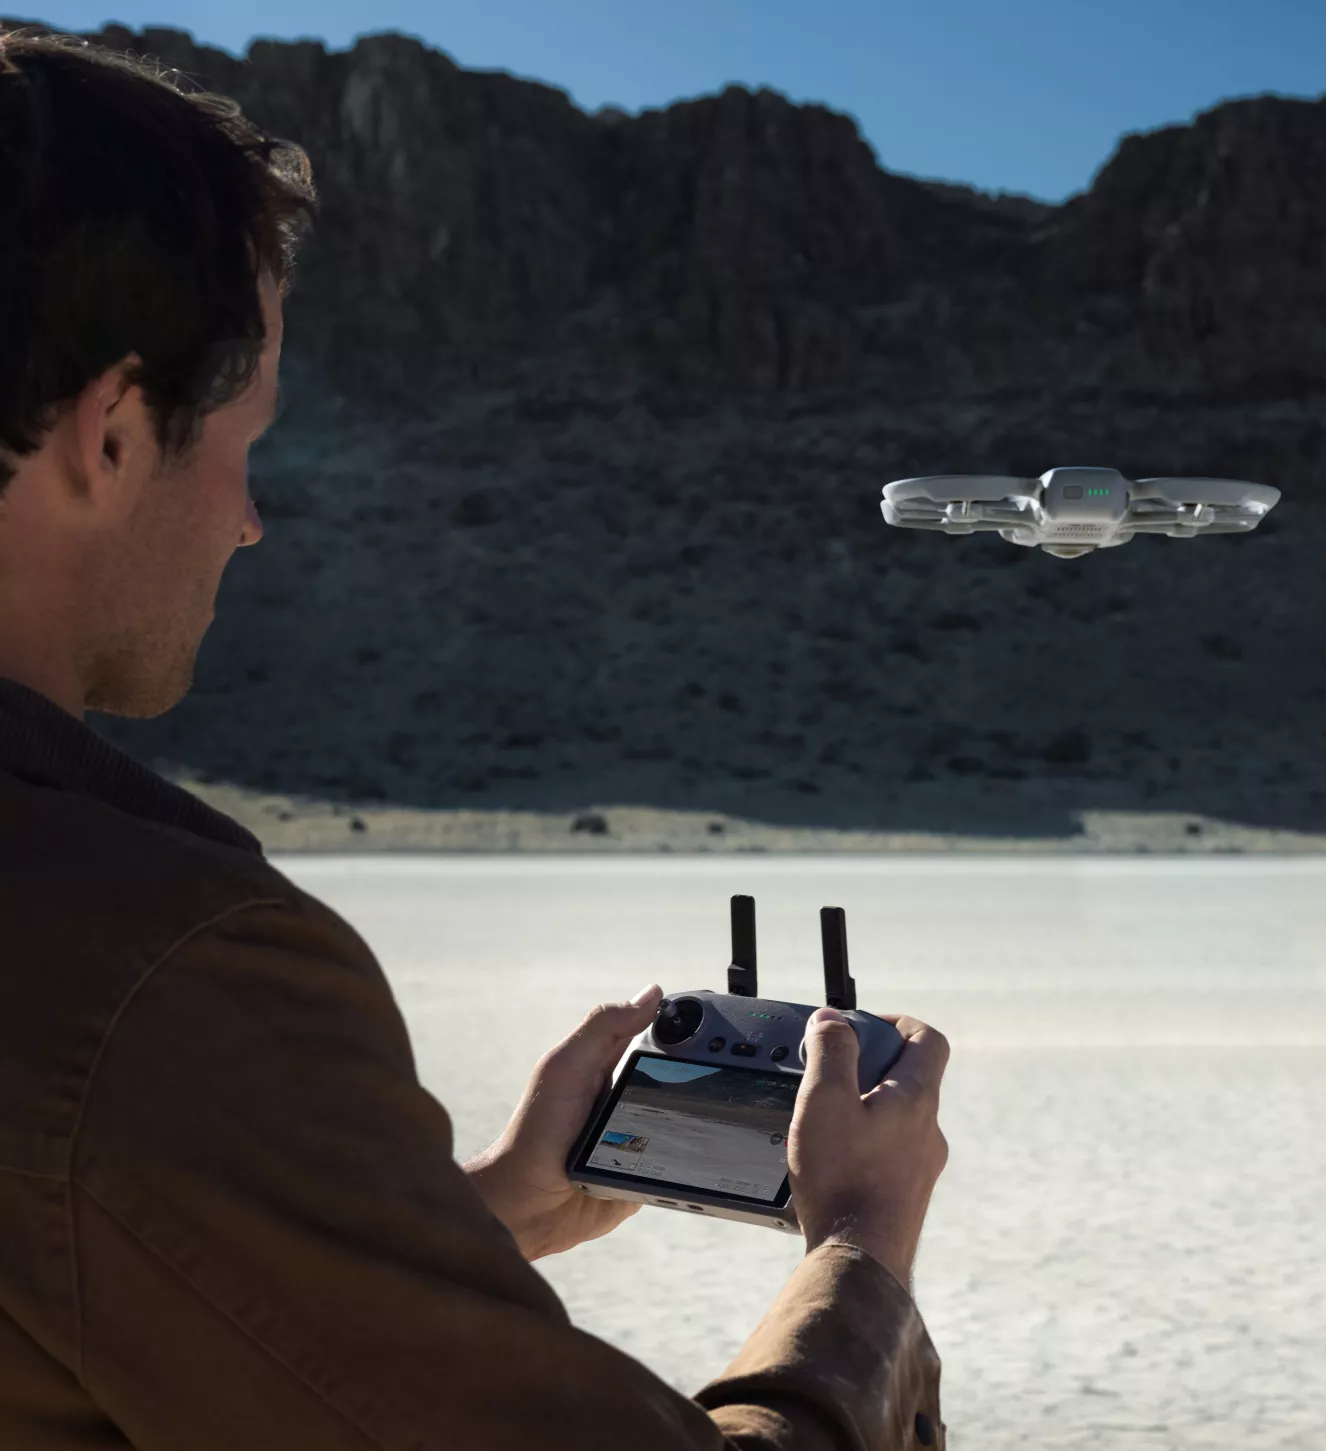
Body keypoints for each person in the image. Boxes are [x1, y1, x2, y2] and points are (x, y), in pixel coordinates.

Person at [0, 29, 950, 1450]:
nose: (249, 521)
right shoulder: (153, 979)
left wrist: (471, 1212)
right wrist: (863, 1251)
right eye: (245, 443)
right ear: (116, 434)